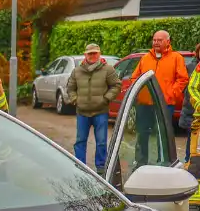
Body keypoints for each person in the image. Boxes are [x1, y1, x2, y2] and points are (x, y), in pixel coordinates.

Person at [131, 30, 189, 167]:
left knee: (162, 135)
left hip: (164, 104)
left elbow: (183, 79)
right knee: (142, 133)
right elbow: (135, 77)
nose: (156, 42)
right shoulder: (145, 58)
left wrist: (169, 95)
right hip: (144, 103)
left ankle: (163, 163)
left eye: (159, 40)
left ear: (168, 42)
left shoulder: (176, 58)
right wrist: (140, 94)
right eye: (154, 40)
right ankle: (140, 162)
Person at [66, 44, 121, 173]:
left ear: (99, 54)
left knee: (101, 141)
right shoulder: (77, 71)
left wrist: (106, 99)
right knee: (80, 141)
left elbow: (116, 85)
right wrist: (76, 100)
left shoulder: (108, 70)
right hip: (82, 112)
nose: (92, 56)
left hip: (100, 112)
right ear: (85, 55)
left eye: (94, 53)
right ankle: (80, 167)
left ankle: (101, 168)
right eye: (90, 53)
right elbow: (70, 88)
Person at [178, 42, 200, 164]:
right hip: (192, 111)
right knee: (192, 140)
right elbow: (188, 88)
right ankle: (189, 163)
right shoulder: (192, 67)